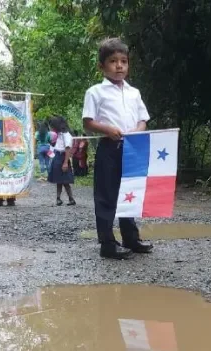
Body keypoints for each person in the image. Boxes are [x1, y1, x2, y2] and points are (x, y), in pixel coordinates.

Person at [83, 38, 155, 260]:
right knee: (107, 195)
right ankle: (107, 242)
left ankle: (131, 238)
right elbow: (88, 122)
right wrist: (107, 129)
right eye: (113, 61)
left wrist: (137, 129)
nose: (119, 65)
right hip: (109, 148)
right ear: (102, 66)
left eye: (124, 61)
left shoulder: (134, 92)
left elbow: (143, 119)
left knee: (130, 192)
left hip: (132, 148)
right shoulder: (95, 92)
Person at [47, 116, 76, 206]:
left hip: (63, 157)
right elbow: (53, 145)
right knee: (58, 180)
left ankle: (71, 199)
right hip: (57, 156)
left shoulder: (66, 135)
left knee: (65, 180)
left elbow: (67, 149)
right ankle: (58, 198)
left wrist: (65, 162)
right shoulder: (58, 135)